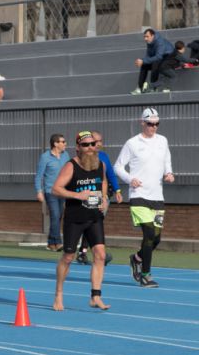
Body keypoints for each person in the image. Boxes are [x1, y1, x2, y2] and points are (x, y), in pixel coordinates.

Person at [116, 107, 175, 288]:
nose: (153, 127)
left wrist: (169, 173)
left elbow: (166, 160)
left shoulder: (163, 141)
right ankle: (145, 275)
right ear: (142, 123)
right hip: (139, 195)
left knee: (156, 238)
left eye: (156, 124)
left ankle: (136, 258)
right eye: (150, 124)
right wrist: (129, 179)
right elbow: (117, 166)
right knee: (149, 234)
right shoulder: (132, 143)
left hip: (157, 196)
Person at [51, 130, 110, 311]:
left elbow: (103, 182)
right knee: (68, 257)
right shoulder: (71, 166)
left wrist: (105, 200)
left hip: (94, 217)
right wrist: (78, 195)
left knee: (100, 255)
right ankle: (59, 294)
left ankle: (95, 296)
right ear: (78, 148)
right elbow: (56, 189)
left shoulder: (100, 164)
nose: (91, 148)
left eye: (93, 144)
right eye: (86, 145)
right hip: (75, 219)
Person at [75, 131, 123, 266]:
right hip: (87, 195)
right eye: (96, 141)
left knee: (96, 222)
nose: (99, 144)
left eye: (100, 141)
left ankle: (88, 252)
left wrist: (117, 190)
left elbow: (110, 175)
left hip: (102, 196)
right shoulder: (81, 158)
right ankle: (84, 251)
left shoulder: (103, 156)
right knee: (88, 222)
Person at [35, 134, 71, 251]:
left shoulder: (66, 155)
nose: (65, 144)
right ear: (55, 144)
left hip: (63, 191)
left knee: (59, 216)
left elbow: (70, 172)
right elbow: (39, 176)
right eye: (63, 141)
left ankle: (51, 242)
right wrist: (39, 191)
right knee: (55, 215)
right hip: (50, 192)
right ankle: (58, 242)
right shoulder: (45, 157)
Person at [132, 28, 174, 94]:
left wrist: (144, 61)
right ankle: (139, 88)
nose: (145, 39)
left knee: (155, 63)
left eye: (147, 36)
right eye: (144, 37)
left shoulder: (160, 42)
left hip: (169, 59)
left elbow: (159, 56)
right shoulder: (150, 42)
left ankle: (153, 88)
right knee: (144, 65)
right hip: (161, 60)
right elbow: (148, 56)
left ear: (153, 36)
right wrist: (142, 61)